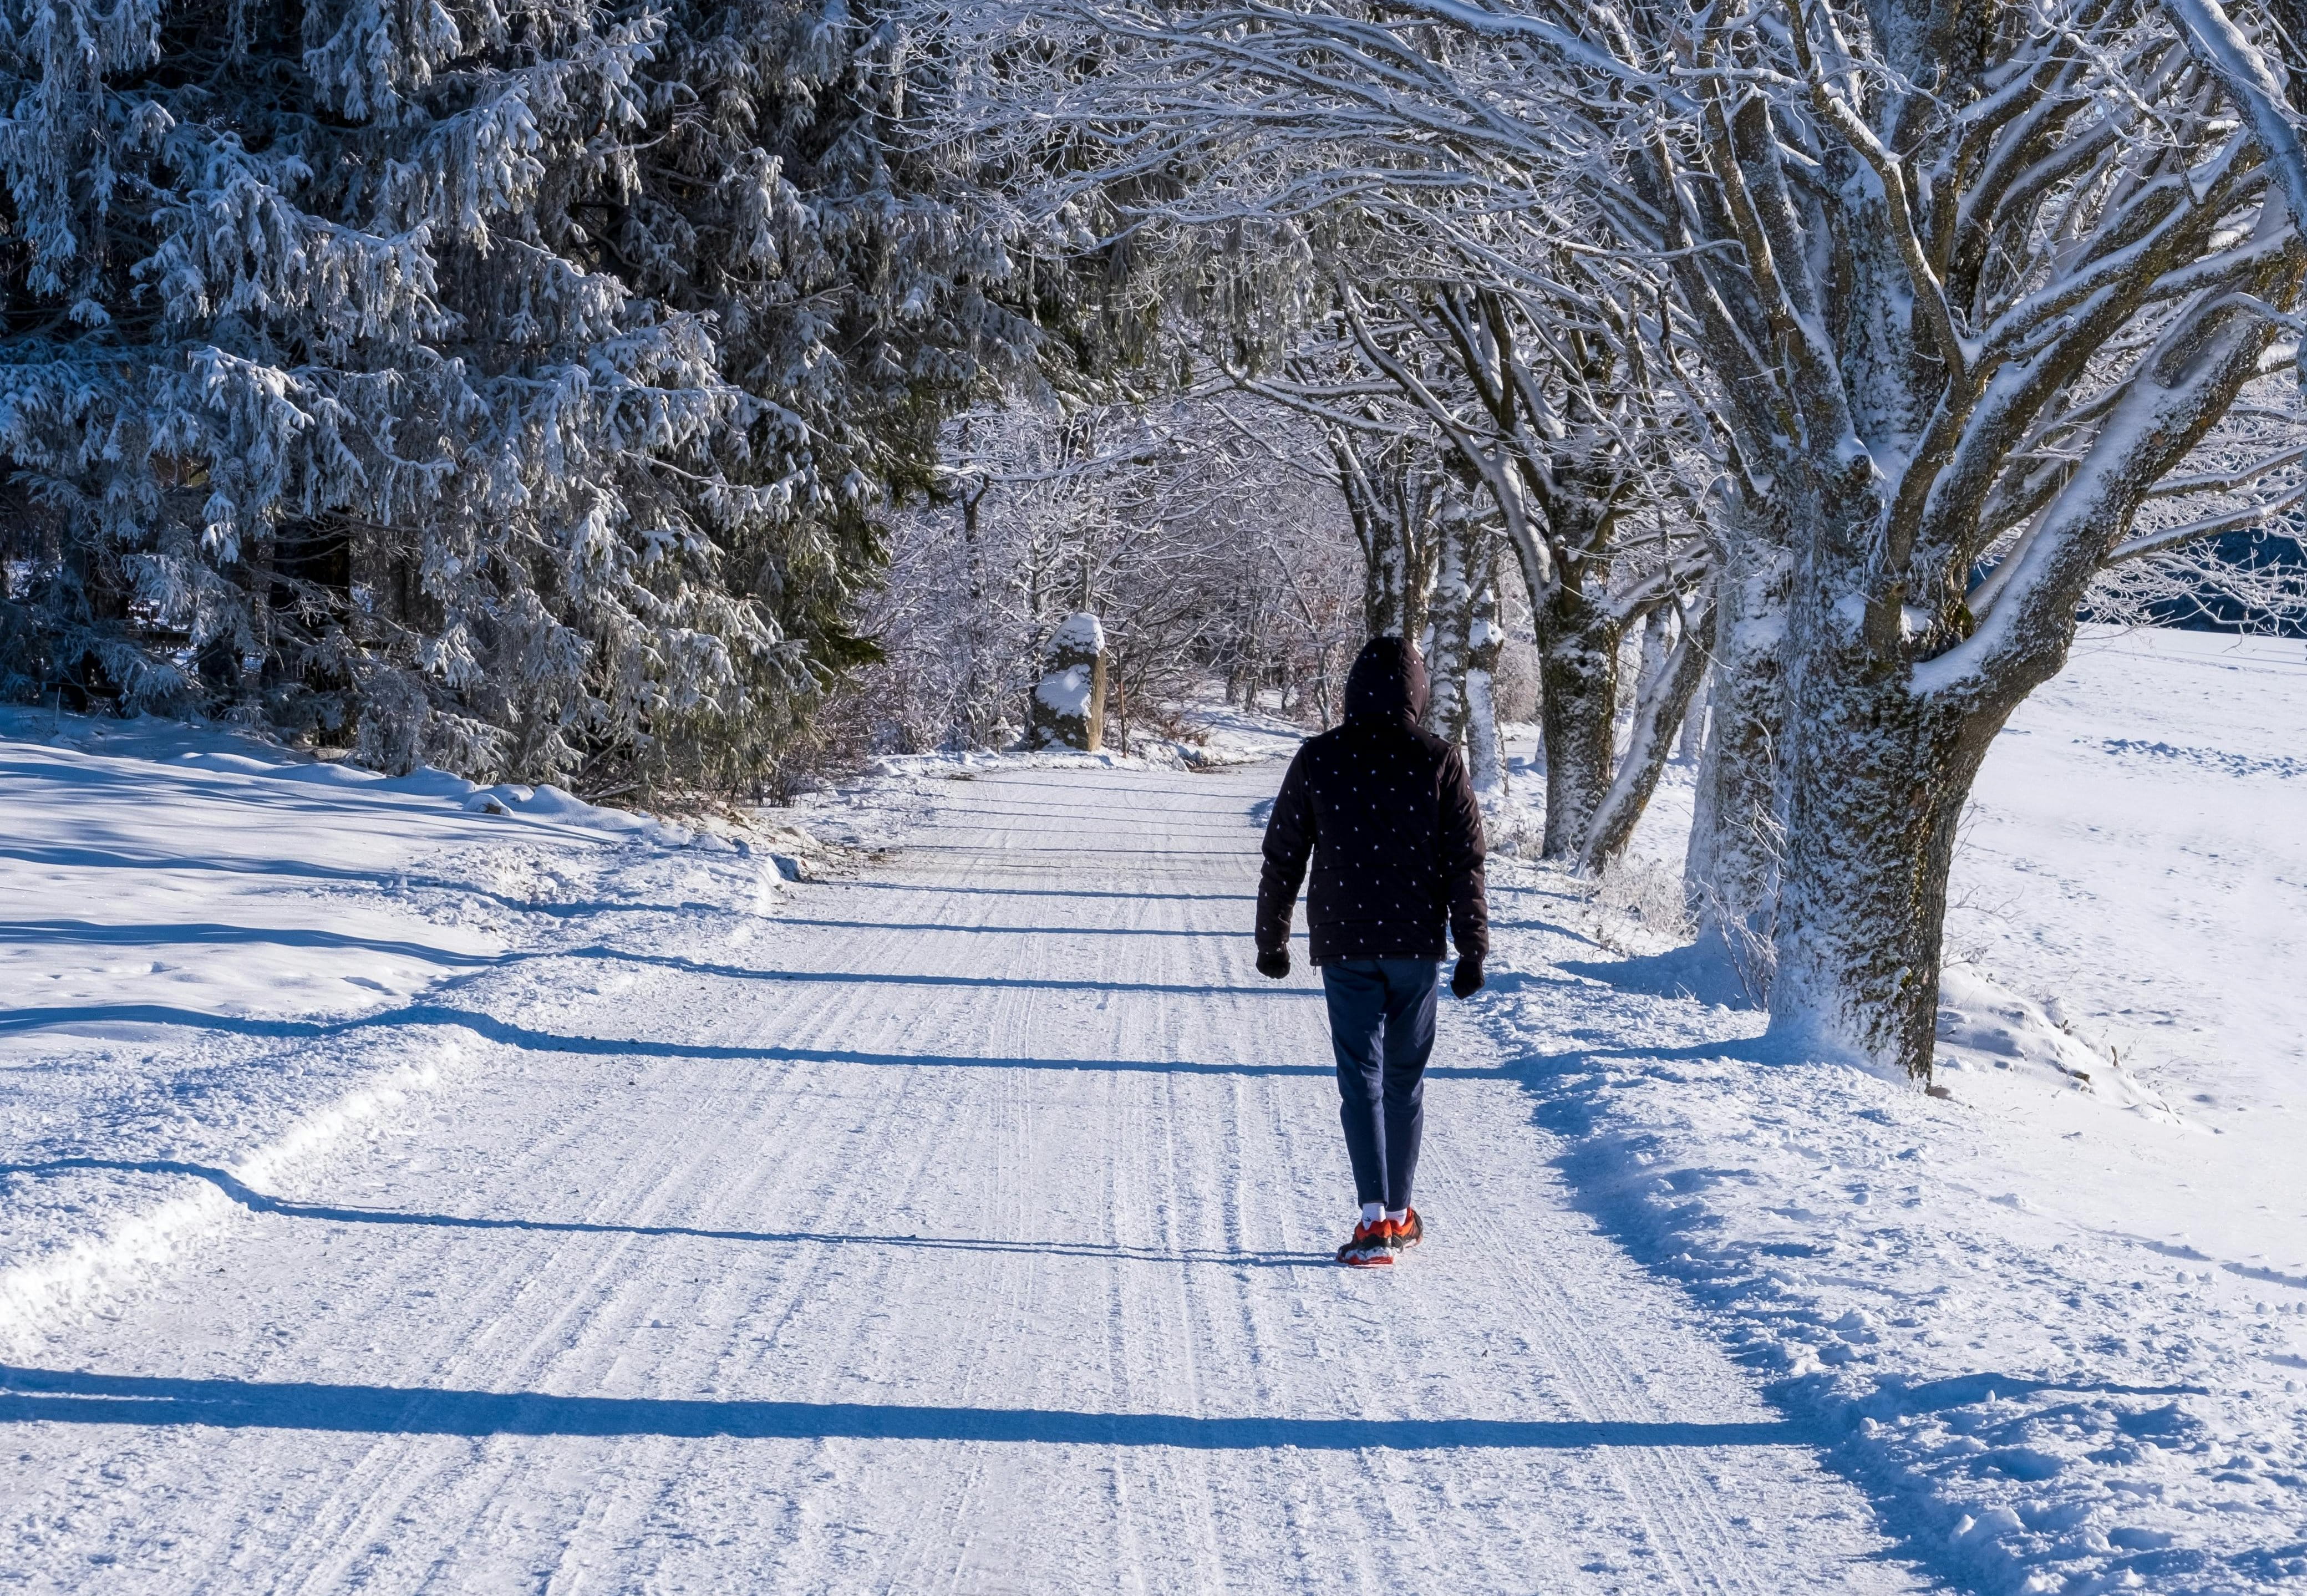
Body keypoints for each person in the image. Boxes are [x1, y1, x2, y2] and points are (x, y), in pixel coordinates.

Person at [1254, 636, 1489, 1268]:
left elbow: (1283, 856)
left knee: (1359, 1078)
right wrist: (1471, 950)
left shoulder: (1318, 757)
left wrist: (1271, 940)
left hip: (1346, 943)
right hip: (1414, 946)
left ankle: (1370, 1222)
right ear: (1416, 690)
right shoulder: (1437, 759)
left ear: (1353, 688)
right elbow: (1465, 861)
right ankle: (1398, 1213)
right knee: (1404, 1083)